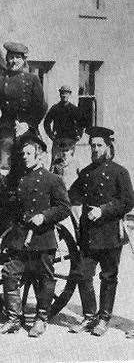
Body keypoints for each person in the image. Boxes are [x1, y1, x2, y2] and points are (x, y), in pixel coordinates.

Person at [0, 135, 70, 337]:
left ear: (39, 156)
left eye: (29, 153)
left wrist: (45, 216)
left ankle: (41, 319)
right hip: (20, 237)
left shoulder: (53, 180)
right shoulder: (19, 178)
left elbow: (64, 208)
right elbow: (0, 181)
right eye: (22, 153)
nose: (24, 157)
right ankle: (13, 319)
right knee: (9, 273)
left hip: (43, 238)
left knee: (45, 278)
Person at [67, 126, 134, 337]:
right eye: (92, 146)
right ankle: (89, 316)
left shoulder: (119, 172)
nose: (95, 149)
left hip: (110, 235)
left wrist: (103, 210)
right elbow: (72, 195)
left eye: (99, 145)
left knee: (108, 277)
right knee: (82, 274)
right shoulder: (86, 173)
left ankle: (104, 318)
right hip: (88, 235)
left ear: (108, 147)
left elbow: (128, 201)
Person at [0, 42, 46, 175]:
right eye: (11, 57)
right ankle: (4, 179)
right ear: (7, 59)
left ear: (24, 60)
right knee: (5, 146)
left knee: (32, 150)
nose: (14, 61)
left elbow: (41, 107)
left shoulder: (32, 79)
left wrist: (28, 124)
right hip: (7, 125)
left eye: (18, 58)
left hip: (27, 126)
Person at [44, 85, 84, 179]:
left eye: (66, 93)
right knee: (56, 164)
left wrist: (79, 136)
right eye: (62, 93)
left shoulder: (74, 109)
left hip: (70, 141)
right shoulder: (55, 108)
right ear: (60, 94)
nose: (64, 95)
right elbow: (46, 123)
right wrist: (51, 136)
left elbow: (82, 123)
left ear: (69, 94)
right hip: (58, 140)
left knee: (68, 164)